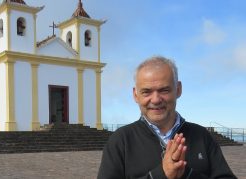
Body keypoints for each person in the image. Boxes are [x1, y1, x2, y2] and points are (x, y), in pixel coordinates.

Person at [97, 56, 236, 179]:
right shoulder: (120, 141)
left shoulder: (202, 136)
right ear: (135, 95)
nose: (156, 99)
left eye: (164, 90)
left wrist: (186, 174)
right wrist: (161, 174)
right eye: (146, 92)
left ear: (178, 89)